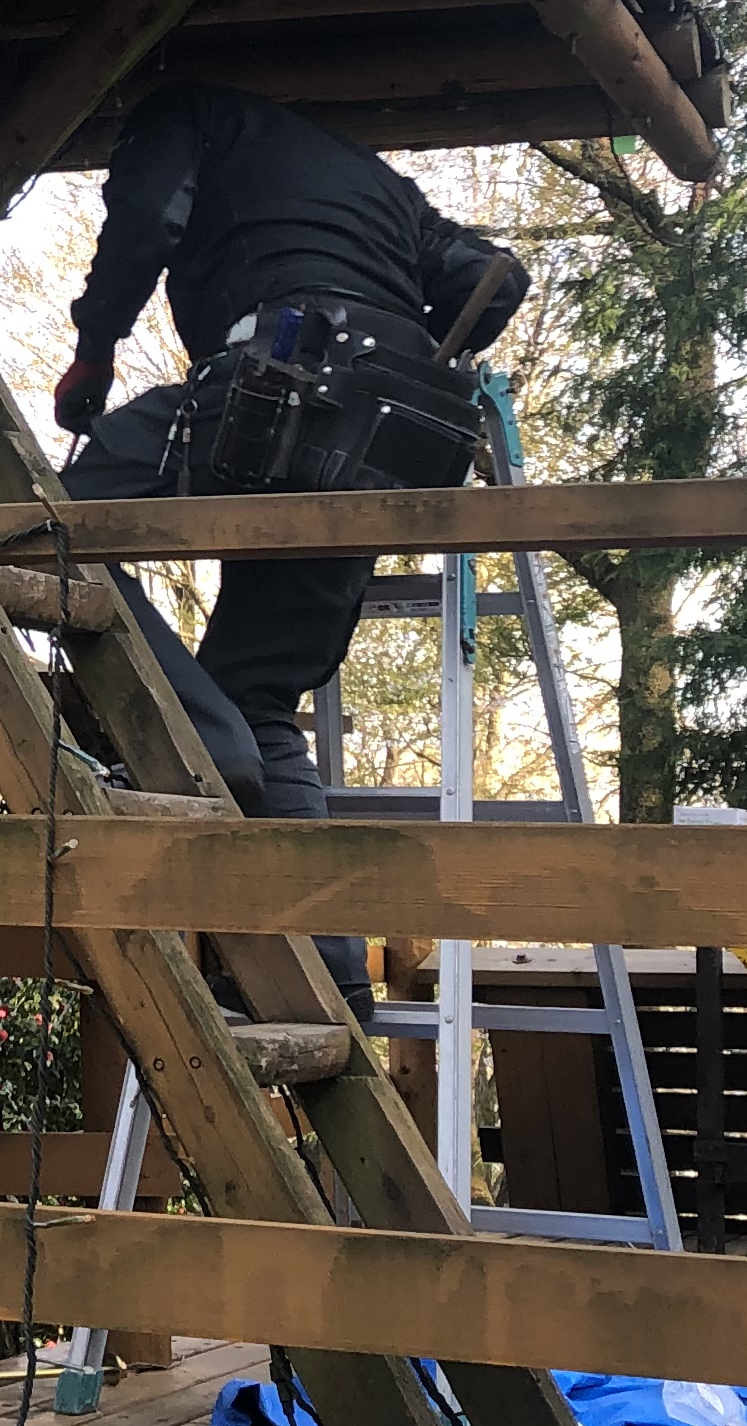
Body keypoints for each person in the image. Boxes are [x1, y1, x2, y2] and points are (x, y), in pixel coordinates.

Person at [49, 82, 529, 1022]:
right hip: (391, 445)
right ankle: (332, 980)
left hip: (283, 385)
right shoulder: (383, 187)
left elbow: (148, 217)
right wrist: (415, 356)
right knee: (261, 690)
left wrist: (96, 347)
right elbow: (491, 277)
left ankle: (203, 741)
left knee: (52, 530)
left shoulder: (189, 110)